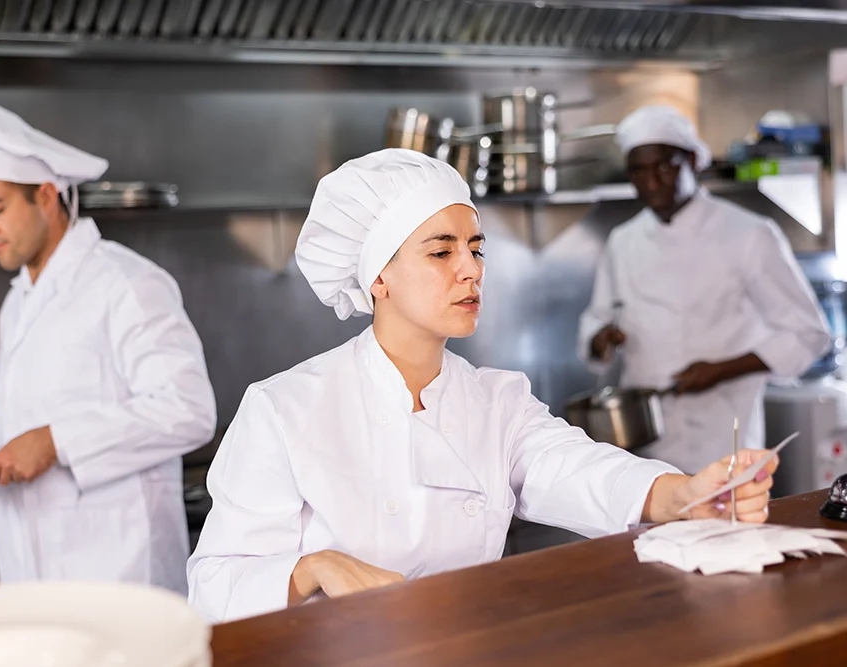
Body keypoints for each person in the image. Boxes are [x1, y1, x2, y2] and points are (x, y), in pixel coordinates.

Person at [186, 148, 777, 624]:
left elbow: (577, 467)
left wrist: (685, 494)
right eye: (441, 251)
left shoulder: (498, 399)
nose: (470, 269)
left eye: (474, 248)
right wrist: (313, 568)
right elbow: (213, 586)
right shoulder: (285, 407)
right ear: (378, 278)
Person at [0, 97, 217, 595]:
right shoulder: (20, 299)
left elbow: (188, 410)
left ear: (45, 195)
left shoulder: (124, 283)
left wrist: (56, 442)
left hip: (119, 574)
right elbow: (20, 405)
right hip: (33, 564)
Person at [578, 105, 831, 473]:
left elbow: (808, 334)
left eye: (665, 166)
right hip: (644, 444)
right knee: (652, 529)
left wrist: (721, 370)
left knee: (723, 526)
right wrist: (600, 338)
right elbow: (598, 317)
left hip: (723, 437)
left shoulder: (748, 234)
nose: (652, 181)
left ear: (693, 161)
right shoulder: (624, 240)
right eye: (639, 170)